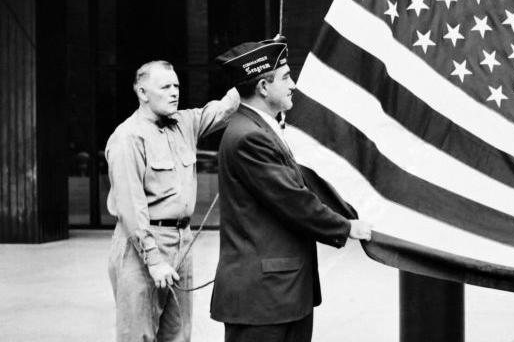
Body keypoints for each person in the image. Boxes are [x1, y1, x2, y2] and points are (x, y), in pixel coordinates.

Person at [210, 36, 372, 342]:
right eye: (285, 77)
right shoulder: (249, 137)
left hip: (278, 295)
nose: (293, 84)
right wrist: (347, 227)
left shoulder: (258, 129)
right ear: (263, 87)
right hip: (264, 300)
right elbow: (293, 200)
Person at [106, 60, 240, 342]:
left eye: (176, 85)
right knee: (138, 335)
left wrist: (259, 67)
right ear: (143, 93)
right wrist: (153, 260)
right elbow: (131, 207)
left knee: (179, 335)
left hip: (182, 242)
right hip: (141, 246)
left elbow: (226, 107)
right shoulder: (127, 137)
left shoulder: (185, 123)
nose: (174, 92)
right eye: (165, 87)